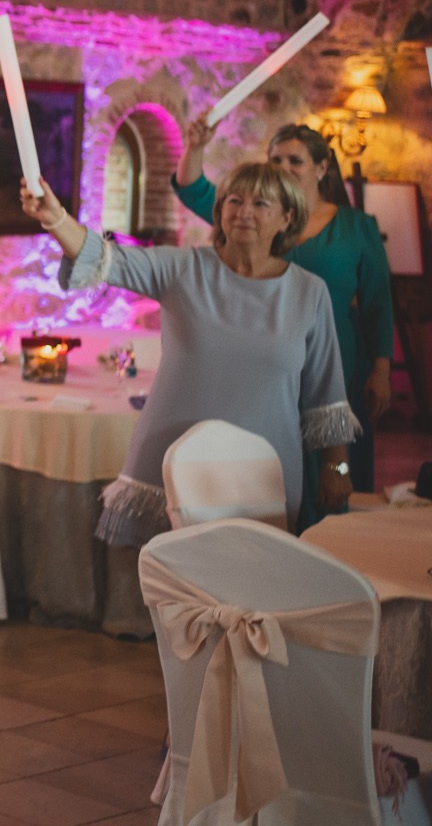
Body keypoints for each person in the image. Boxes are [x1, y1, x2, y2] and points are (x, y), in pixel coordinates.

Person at [23, 163, 357, 541]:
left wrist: (337, 467)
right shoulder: (182, 268)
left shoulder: (309, 292)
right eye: (234, 200)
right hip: (170, 463)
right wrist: (55, 218)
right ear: (220, 212)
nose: (244, 211)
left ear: (287, 218)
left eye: (261, 203)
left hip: (264, 471)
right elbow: (105, 257)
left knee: (258, 585)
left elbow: (325, 392)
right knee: (164, 586)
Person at [175, 120, 393, 498]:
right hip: (265, 359)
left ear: (322, 168)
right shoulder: (257, 215)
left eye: (296, 160)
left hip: (337, 355)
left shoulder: (356, 226)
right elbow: (194, 189)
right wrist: (194, 146)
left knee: (334, 464)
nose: (284, 166)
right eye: (276, 158)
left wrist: (381, 369)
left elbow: (378, 301)